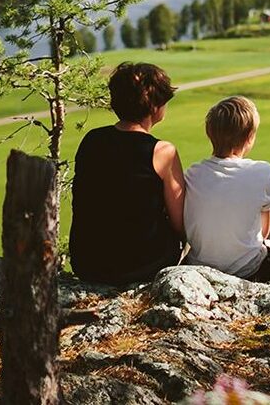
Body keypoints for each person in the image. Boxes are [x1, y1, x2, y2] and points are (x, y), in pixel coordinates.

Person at [69, 62, 185, 285]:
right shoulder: (163, 152)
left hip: (88, 264)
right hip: (141, 267)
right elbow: (180, 224)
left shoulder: (91, 140)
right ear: (155, 107)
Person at [184, 96, 270, 279]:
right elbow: (265, 224)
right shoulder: (262, 171)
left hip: (200, 265)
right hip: (248, 267)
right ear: (249, 137)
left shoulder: (193, 173)